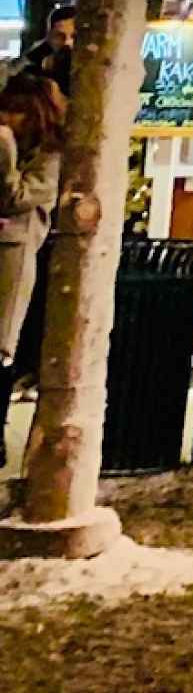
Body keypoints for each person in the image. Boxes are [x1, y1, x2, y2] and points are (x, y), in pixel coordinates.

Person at [0, 57, 65, 428]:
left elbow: (19, 197)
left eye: (17, 113)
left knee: (3, 341)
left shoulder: (49, 155)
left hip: (15, 247)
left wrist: (6, 154)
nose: (8, 120)